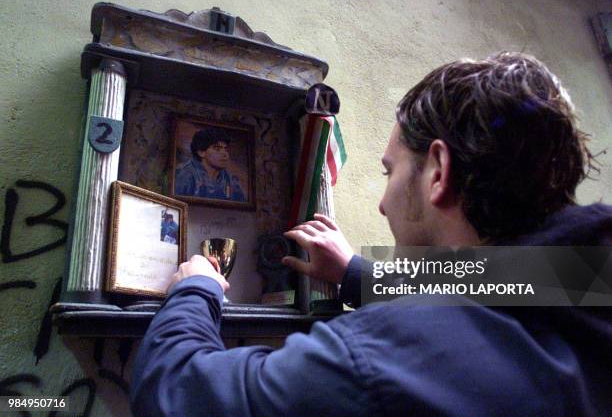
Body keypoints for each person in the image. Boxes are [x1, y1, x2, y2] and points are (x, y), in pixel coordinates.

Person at [130, 52, 612, 416]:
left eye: (389, 172)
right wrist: (357, 276)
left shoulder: (374, 359)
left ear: (438, 171)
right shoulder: (588, 276)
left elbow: (178, 392)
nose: (382, 204)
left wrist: (196, 289)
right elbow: (505, 289)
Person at [175, 127, 246, 201]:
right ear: (201, 152)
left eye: (226, 149)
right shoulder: (183, 175)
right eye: (217, 149)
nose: (225, 154)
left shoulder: (230, 180)